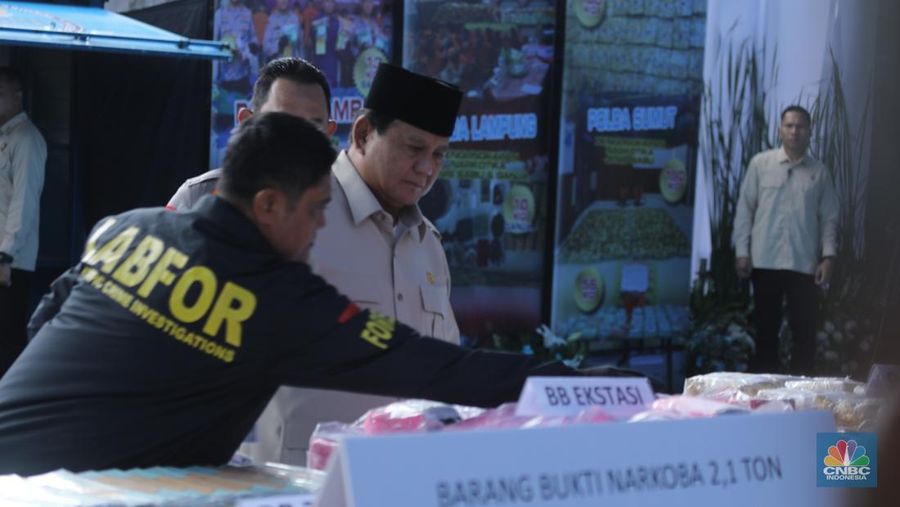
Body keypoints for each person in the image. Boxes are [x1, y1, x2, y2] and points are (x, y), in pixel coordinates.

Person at [0, 113, 578, 477]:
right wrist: (596, 386)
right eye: (316, 210)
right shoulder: (275, 301)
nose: (320, 228)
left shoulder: (131, 227)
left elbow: (44, 318)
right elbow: (441, 369)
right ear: (269, 205)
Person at [251, 63, 466, 464]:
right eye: (414, 148)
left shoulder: (429, 244)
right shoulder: (292, 213)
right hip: (301, 482)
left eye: (439, 154)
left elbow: (444, 369)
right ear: (364, 134)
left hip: (406, 476)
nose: (427, 169)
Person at [733, 105, 839, 375]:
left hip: (803, 263)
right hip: (764, 260)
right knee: (766, 332)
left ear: (809, 132)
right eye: (789, 126)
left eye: (800, 126)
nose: (794, 131)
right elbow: (745, 209)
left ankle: (800, 394)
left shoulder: (820, 172)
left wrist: (828, 257)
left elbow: (829, 218)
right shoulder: (761, 164)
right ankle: (763, 395)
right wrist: (742, 251)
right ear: (780, 130)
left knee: (804, 333)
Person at [168, 57, 336, 211]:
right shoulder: (196, 198)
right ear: (247, 122)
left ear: (328, 134)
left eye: (313, 127)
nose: (299, 140)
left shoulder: (344, 208)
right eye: (282, 123)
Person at [0, 67, 47, 377]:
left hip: (10, 261)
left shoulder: (27, 139)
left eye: (1, 94)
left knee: (6, 338)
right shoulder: (6, 136)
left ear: (18, 97)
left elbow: (24, 202)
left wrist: (6, 254)